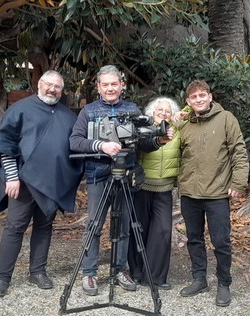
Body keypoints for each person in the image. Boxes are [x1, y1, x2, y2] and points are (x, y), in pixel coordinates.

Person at [69, 65, 165, 296]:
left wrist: (157, 141)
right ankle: (89, 273)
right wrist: (101, 145)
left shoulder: (132, 109)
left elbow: (140, 142)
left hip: (126, 174)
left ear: (122, 85)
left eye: (114, 84)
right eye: (105, 85)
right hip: (98, 175)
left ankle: (119, 269)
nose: (110, 88)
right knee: (94, 225)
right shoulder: (89, 111)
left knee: (123, 226)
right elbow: (74, 141)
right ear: (99, 87)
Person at [0, 70, 83, 297]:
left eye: (57, 87)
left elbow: (74, 149)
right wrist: (10, 176)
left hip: (51, 184)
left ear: (62, 89)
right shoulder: (20, 109)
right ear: (39, 84)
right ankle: (2, 278)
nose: (52, 90)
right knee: (15, 228)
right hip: (22, 182)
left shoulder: (68, 116)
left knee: (44, 227)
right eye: (48, 85)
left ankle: (37, 272)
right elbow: (5, 143)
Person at [176, 80, 249, 307]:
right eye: (193, 97)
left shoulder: (226, 119)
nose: (198, 99)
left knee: (221, 241)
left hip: (217, 193)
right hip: (189, 192)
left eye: (202, 95)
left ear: (210, 97)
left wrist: (238, 182)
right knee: (194, 239)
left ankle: (224, 284)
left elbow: (239, 151)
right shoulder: (185, 124)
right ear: (188, 102)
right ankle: (199, 279)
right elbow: (173, 153)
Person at [127, 97, 181, 290]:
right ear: (152, 112)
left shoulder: (178, 130)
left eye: (168, 111)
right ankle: (137, 272)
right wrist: (159, 139)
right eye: (160, 110)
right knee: (139, 229)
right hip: (142, 186)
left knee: (163, 230)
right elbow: (142, 146)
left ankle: (156, 277)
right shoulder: (144, 129)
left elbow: (191, 112)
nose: (164, 113)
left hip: (164, 189)